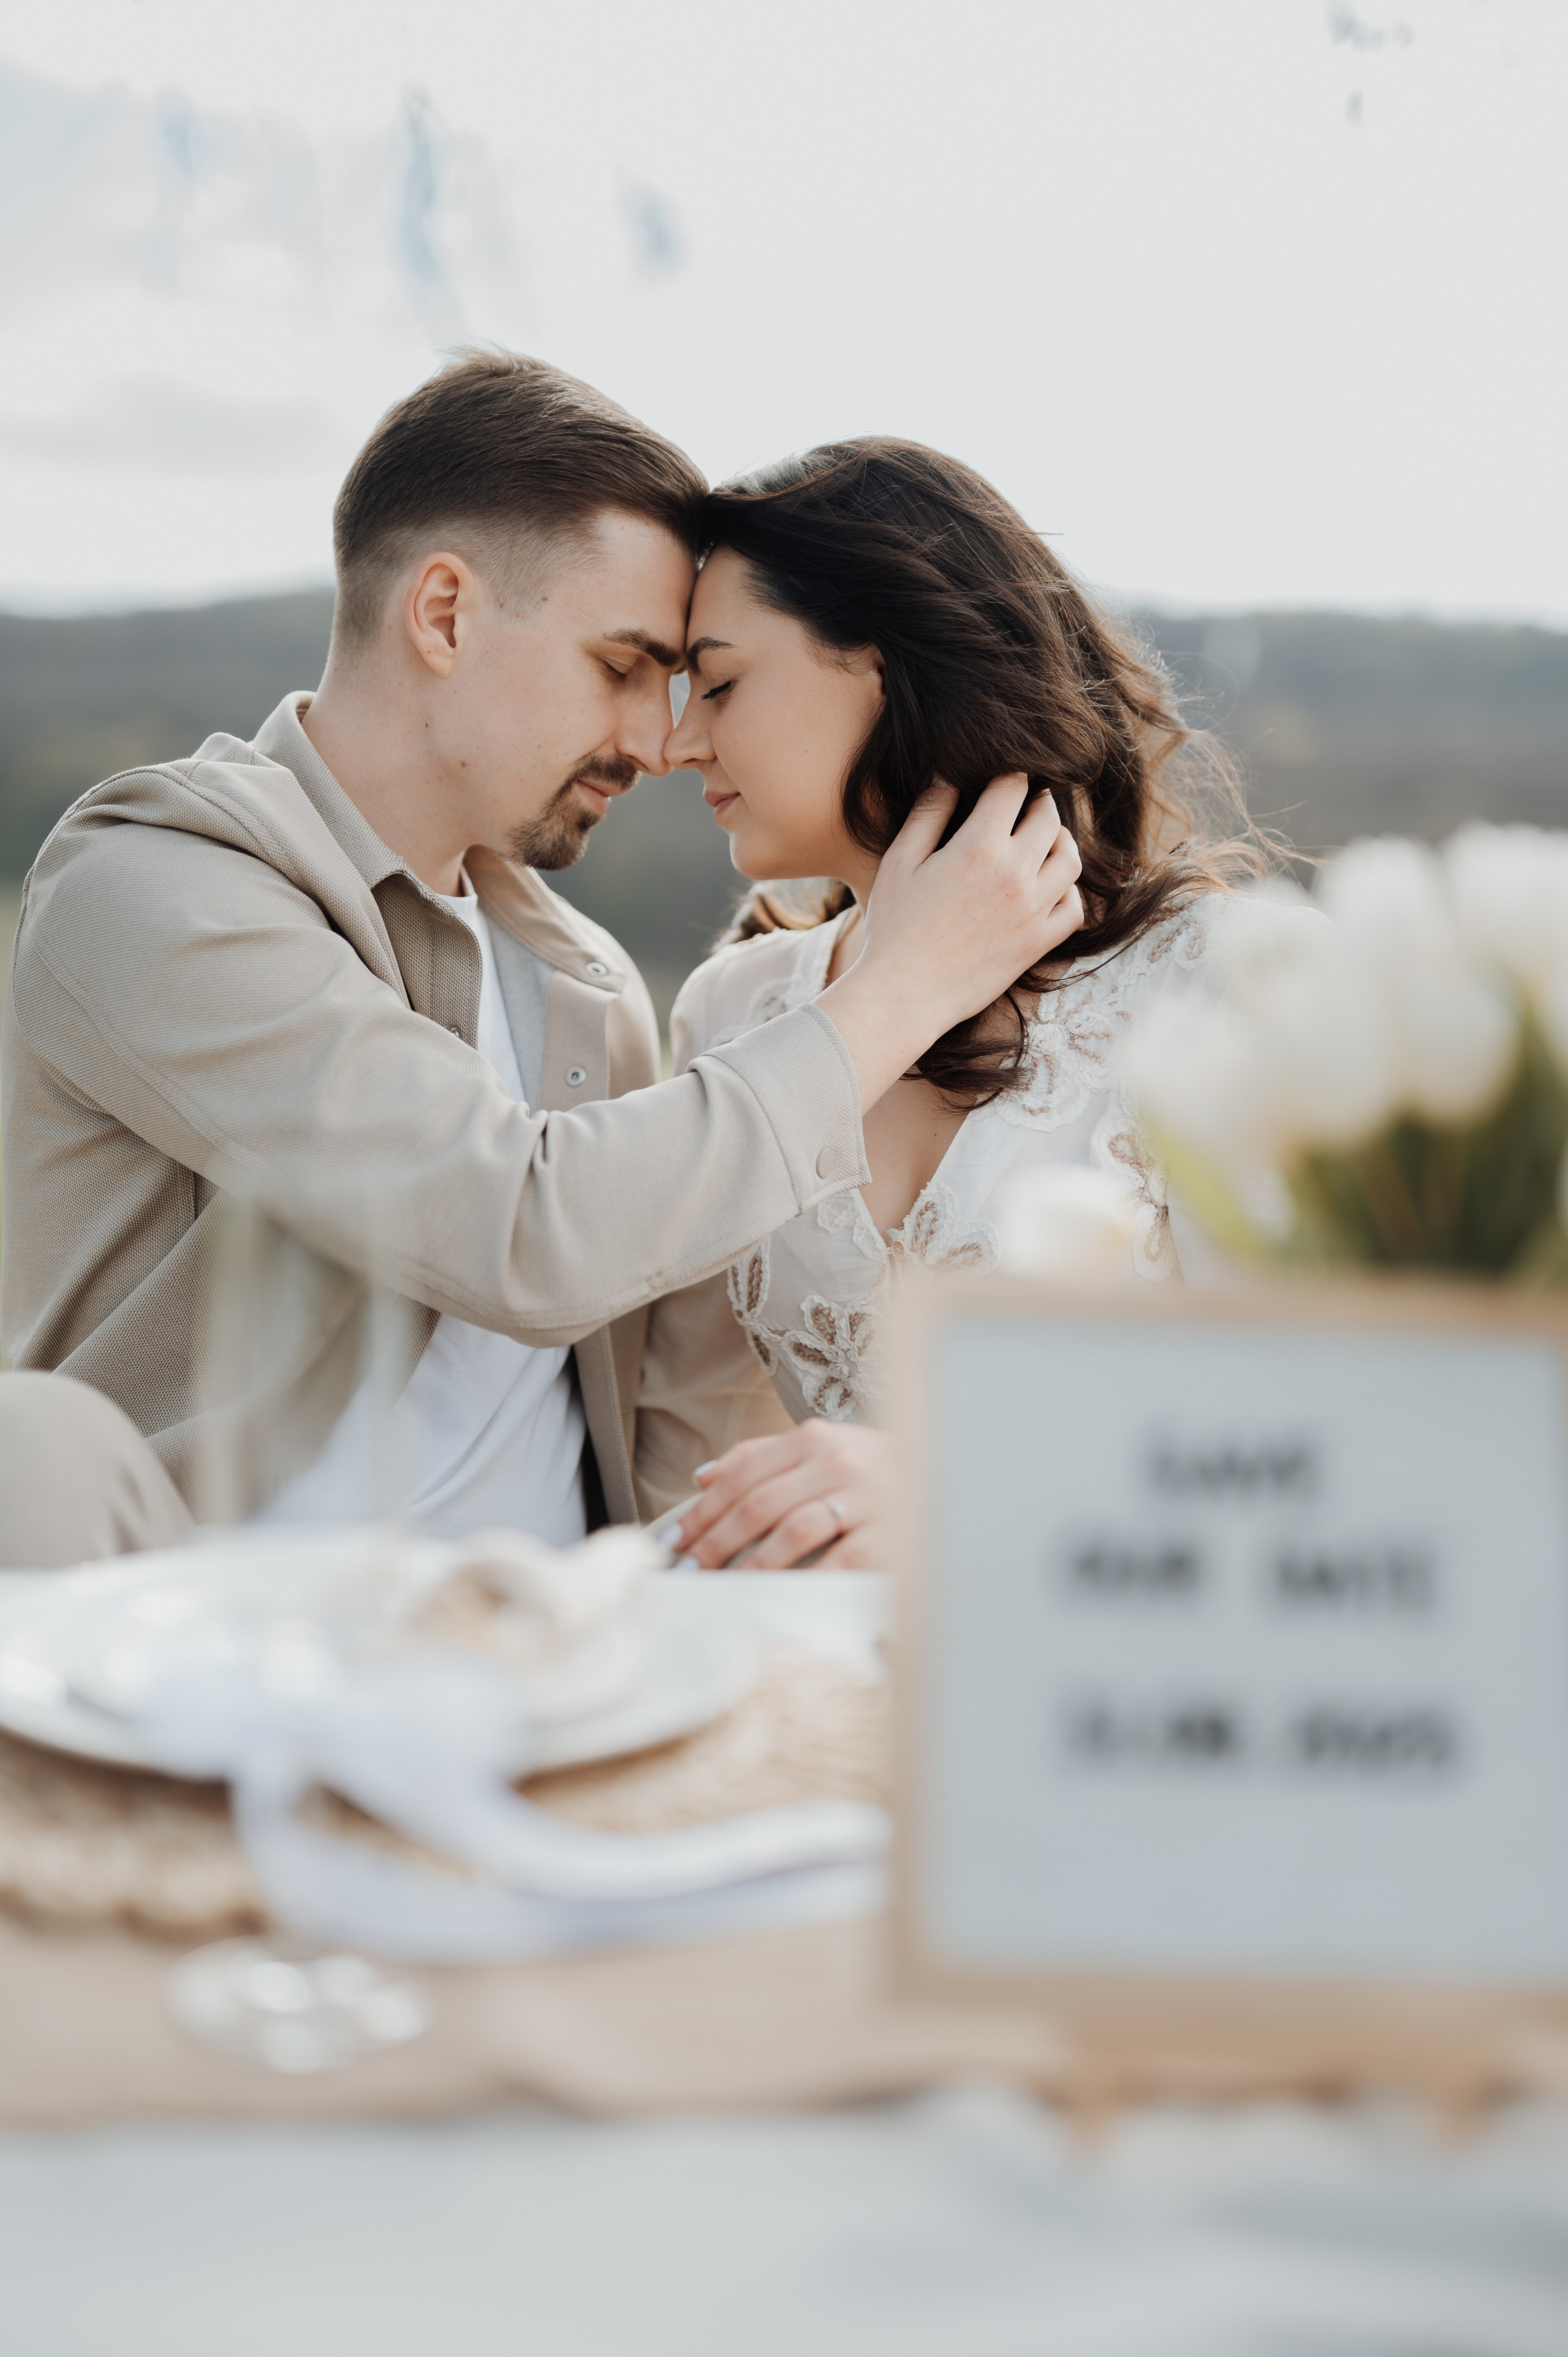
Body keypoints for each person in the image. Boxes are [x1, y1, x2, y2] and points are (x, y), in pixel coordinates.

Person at [0, 360, 1085, 1570]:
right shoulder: (148, 886)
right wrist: (905, 985)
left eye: (688, 682)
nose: (658, 741)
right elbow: (521, 1227)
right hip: (217, 1633)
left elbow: (675, 1421)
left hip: (564, 1645)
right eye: (621, 667)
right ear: (444, 615)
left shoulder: (589, 982)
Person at [654, 439, 1250, 1574]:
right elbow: (689, 1444)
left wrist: (953, 1495)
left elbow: (1327, 1435)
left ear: (884, 665)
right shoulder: (729, 1011)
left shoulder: (1218, 987)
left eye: (719, 683)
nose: (678, 742)